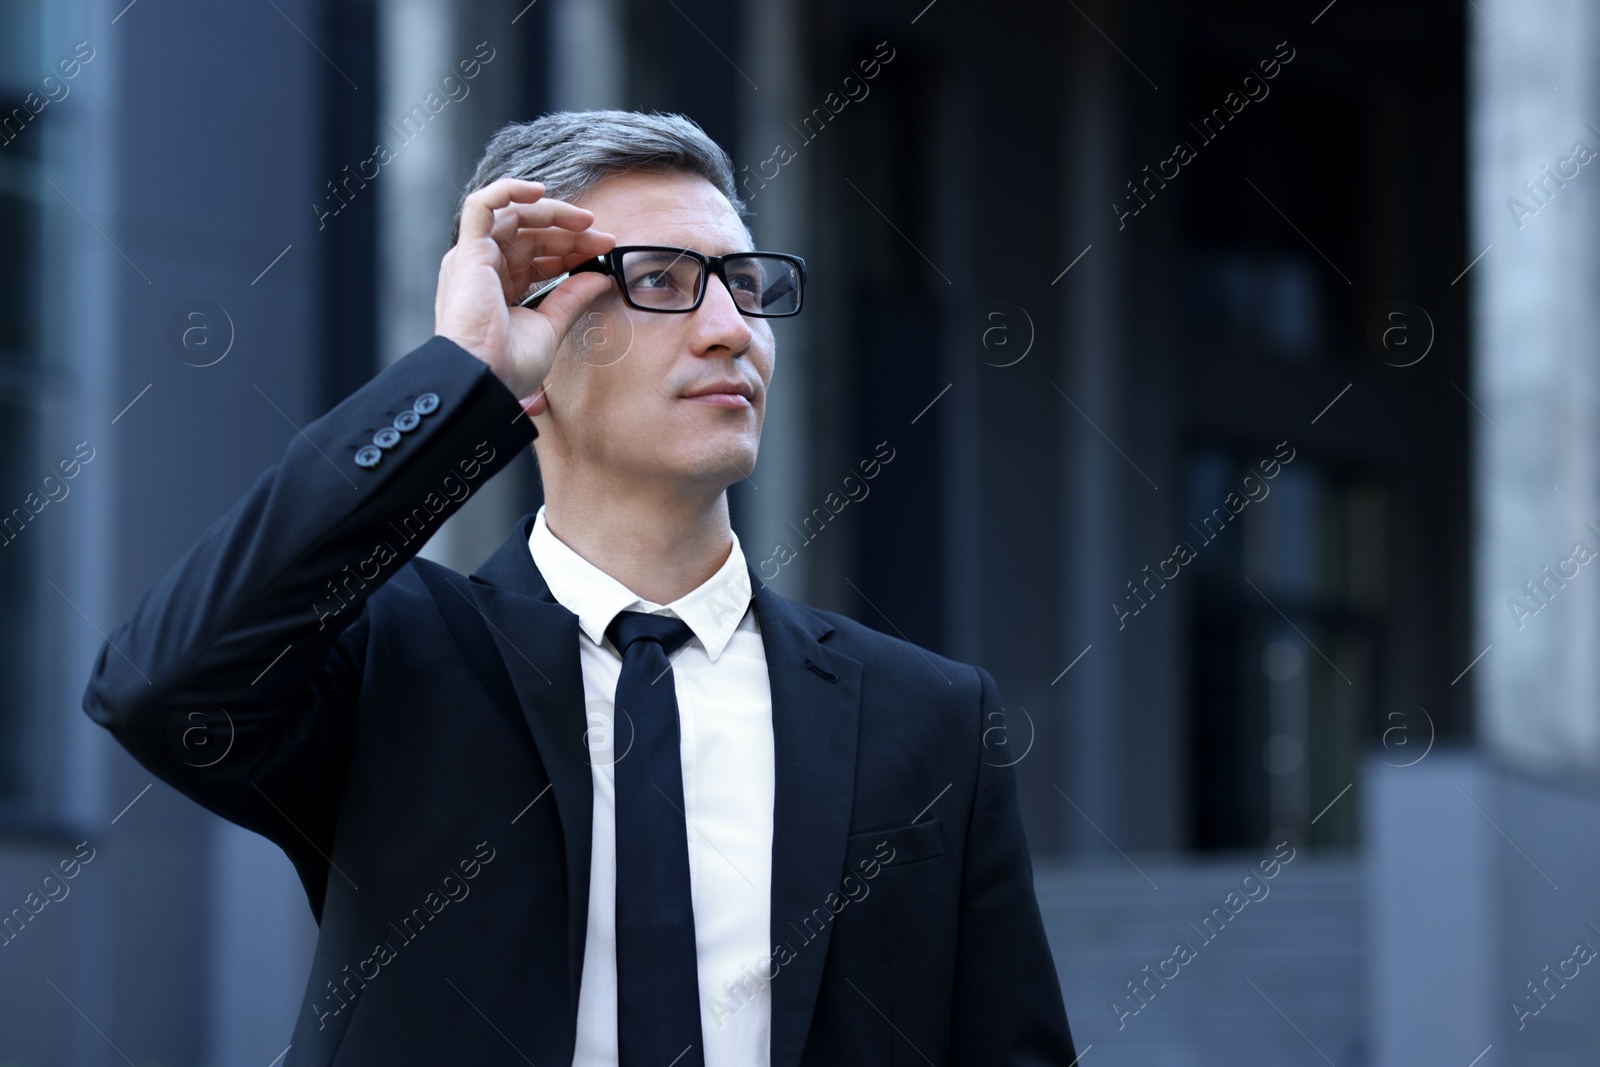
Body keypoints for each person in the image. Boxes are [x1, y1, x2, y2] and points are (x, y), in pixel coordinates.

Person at [81, 110, 1076, 1066]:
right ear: (533, 325)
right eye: (662, 280)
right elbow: (163, 683)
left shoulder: (928, 716)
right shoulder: (394, 658)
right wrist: (455, 376)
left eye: (744, 283)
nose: (731, 328)